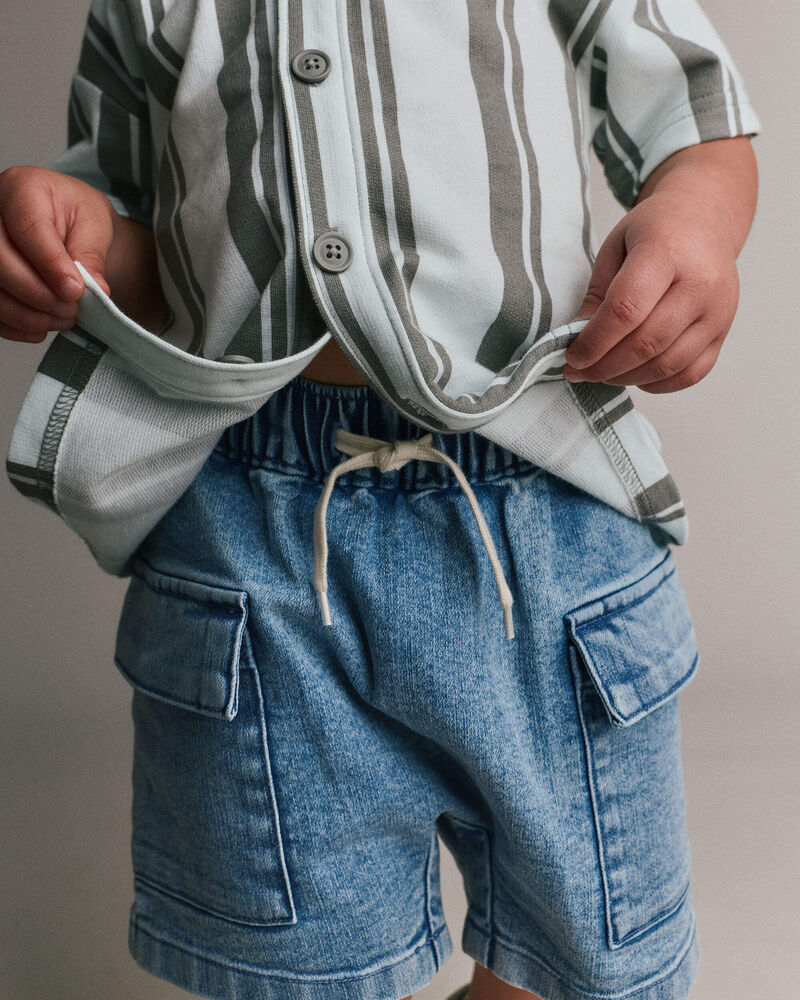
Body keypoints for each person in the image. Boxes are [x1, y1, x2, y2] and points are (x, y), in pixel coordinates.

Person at [1, 2, 760, 999]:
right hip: (253, 536)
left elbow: (692, 113)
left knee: (585, 963)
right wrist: (72, 240)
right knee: (294, 969)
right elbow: (148, 241)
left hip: (540, 501)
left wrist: (695, 219)